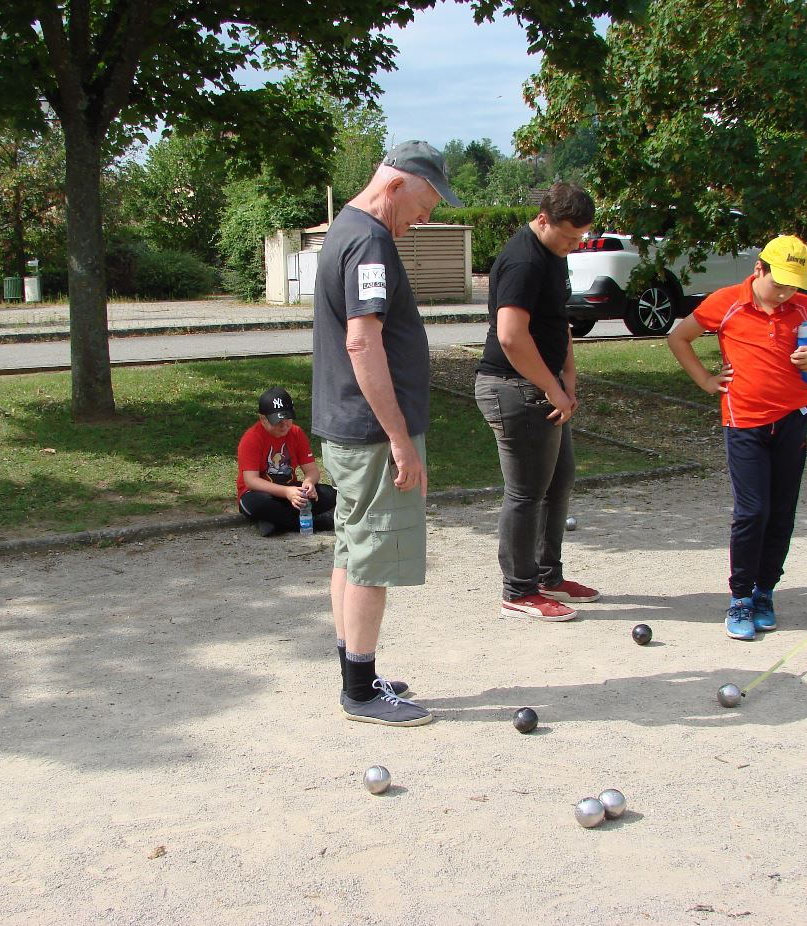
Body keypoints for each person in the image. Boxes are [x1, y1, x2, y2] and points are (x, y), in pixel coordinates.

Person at [311, 140, 460, 727]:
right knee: (373, 553)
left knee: (352, 547)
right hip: (372, 431)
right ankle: (363, 693)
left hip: (348, 424)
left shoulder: (344, 228)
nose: (425, 218)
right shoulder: (370, 238)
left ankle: (356, 670)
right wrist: (399, 437)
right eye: (425, 203)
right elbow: (361, 340)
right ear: (396, 185)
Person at [667, 235, 807, 640]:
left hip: (793, 419)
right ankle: (740, 597)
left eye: (794, 285)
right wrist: (706, 380)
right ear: (759, 269)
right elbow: (678, 337)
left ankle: (765, 592)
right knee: (752, 512)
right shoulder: (727, 302)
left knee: (782, 511)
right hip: (744, 422)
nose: (786, 292)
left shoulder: (804, 308)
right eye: (779, 283)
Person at [474, 182, 600, 621]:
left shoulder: (553, 256)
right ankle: (518, 590)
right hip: (513, 388)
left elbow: (556, 322)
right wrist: (551, 387)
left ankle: (548, 575)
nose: (574, 245)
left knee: (559, 481)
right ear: (543, 219)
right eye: (568, 236)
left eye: (580, 237)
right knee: (527, 493)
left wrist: (568, 378)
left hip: (544, 386)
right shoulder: (523, 260)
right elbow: (511, 337)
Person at [236, 387, 336, 536]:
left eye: (287, 419)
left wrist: (309, 483)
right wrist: (286, 492)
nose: (284, 425)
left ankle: (274, 522)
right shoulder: (251, 438)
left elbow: (312, 471)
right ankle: (316, 522)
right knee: (257, 505)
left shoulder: (296, 433)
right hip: (260, 493)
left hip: (290, 489)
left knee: (330, 494)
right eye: (277, 421)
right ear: (263, 419)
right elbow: (251, 481)